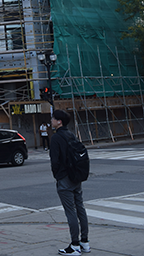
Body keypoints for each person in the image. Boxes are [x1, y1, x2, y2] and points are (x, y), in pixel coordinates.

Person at [50, 109, 90, 255]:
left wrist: (58, 176)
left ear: (59, 121)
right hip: (76, 177)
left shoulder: (56, 138)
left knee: (70, 211)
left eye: (53, 118)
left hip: (64, 178)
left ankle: (74, 245)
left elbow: (55, 161)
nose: (51, 120)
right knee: (80, 208)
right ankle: (84, 242)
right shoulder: (71, 134)